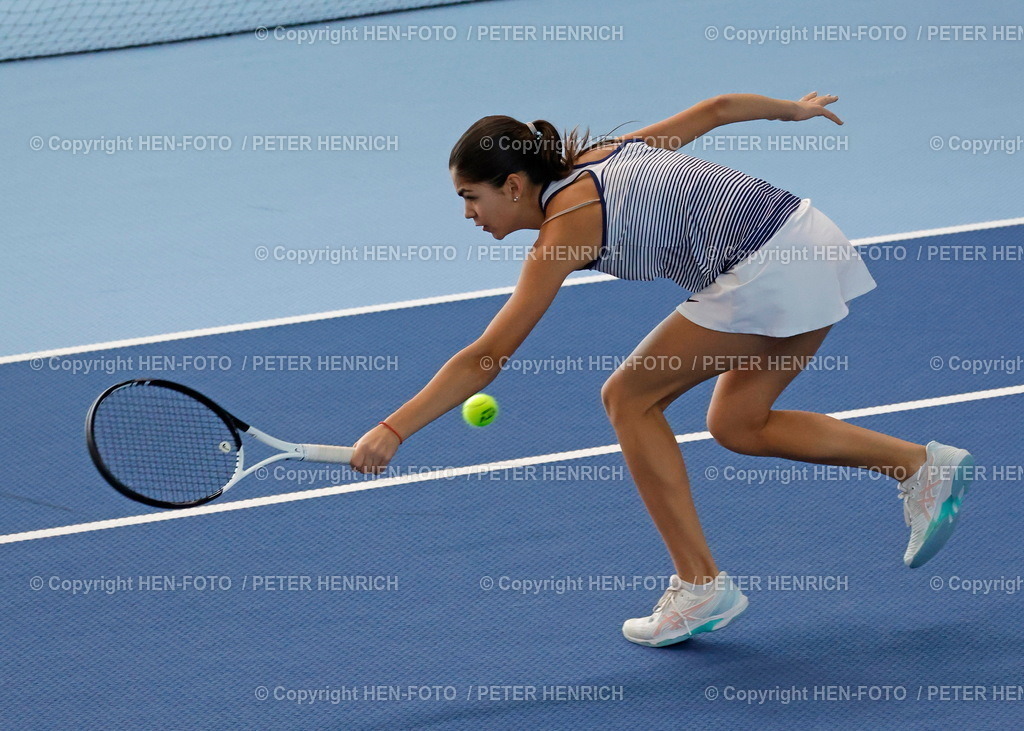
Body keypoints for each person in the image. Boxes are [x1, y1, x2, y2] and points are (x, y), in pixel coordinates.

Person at [349, 92, 975, 647]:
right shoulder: (603, 154)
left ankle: (700, 584)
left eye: (470, 197)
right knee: (739, 423)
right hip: (812, 235)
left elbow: (488, 354)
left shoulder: (564, 230)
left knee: (629, 397)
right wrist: (795, 110)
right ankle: (921, 466)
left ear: (513, 186)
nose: (467, 215)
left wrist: (394, 428)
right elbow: (718, 110)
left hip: (768, 266)